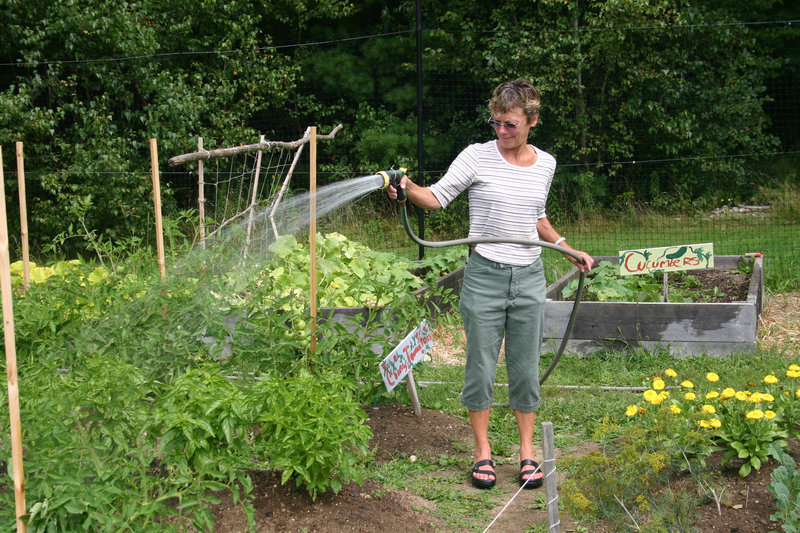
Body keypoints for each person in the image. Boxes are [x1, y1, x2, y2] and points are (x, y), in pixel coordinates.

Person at [388, 78, 594, 490]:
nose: (501, 132)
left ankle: (526, 452)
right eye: (496, 123)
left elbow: (537, 218)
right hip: (484, 274)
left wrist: (567, 247)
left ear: (531, 121)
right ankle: (482, 452)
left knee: (525, 369)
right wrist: (405, 186)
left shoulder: (547, 164)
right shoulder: (476, 157)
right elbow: (436, 197)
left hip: (530, 276)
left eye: (511, 125)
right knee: (480, 367)